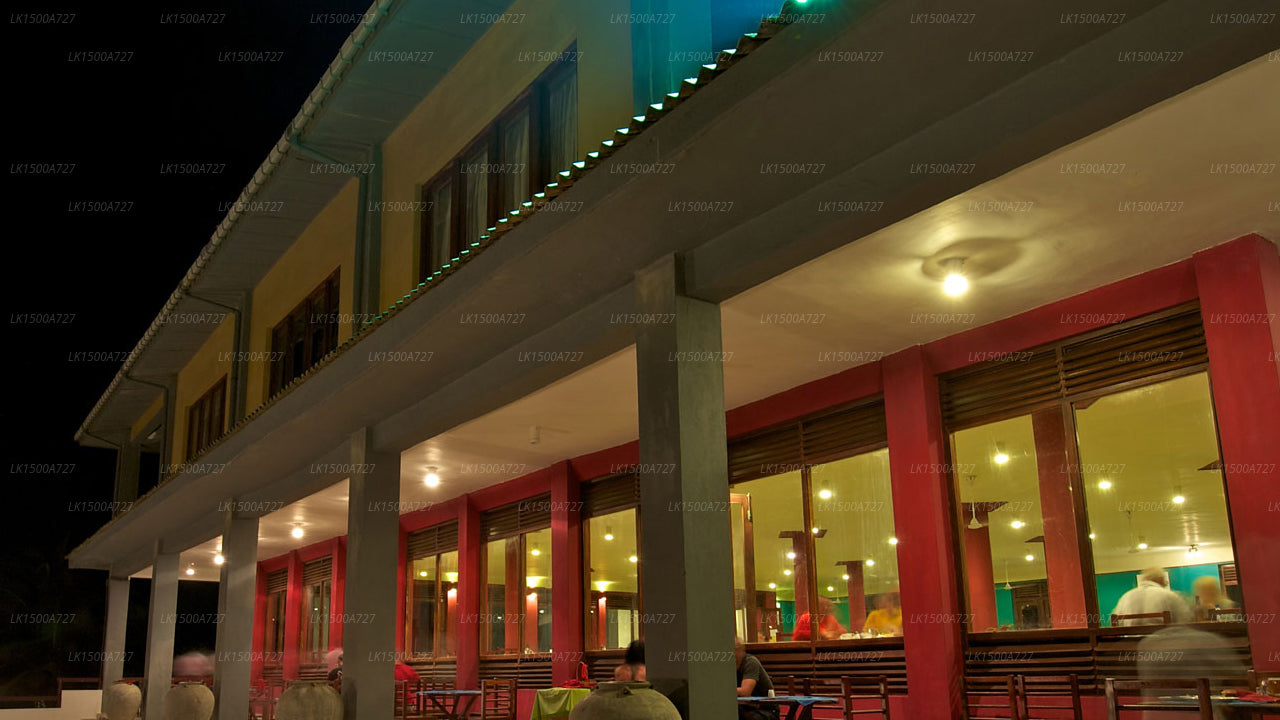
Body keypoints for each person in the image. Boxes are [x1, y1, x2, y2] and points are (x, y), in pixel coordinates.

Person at [1112, 567, 1192, 626]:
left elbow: (1116, 621)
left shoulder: (1126, 597)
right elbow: (1186, 620)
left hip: (1130, 642)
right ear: (1161, 580)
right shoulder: (1169, 595)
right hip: (1163, 641)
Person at [736, 639, 778, 720]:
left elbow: (745, 692)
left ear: (740, 650)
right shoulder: (728, 665)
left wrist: (722, 690)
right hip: (744, 708)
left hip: (764, 710)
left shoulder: (750, 662)